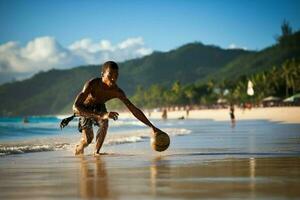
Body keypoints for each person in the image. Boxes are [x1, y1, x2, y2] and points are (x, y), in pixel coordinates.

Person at [60, 61, 161, 155]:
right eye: (110, 75)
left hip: (100, 107)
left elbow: (134, 109)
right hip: (85, 109)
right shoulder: (92, 84)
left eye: (116, 76)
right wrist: (101, 115)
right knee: (88, 140)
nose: (113, 79)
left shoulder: (117, 91)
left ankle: (96, 152)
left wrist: (152, 126)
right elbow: (76, 107)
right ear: (102, 74)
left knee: (105, 122)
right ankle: (79, 148)